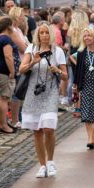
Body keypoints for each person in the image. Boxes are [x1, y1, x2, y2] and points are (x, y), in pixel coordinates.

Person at [19, 22, 68, 177]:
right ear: (38, 35)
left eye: (47, 33)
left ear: (51, 35)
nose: (44, 35)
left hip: (50, 91)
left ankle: (51, 162)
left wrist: (58, 70)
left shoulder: (57, 51)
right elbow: (21, 69)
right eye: (42, 33)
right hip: (34, 92)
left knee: (48, 127)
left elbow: (66, 75)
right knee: (37, 131)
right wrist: (34, 61)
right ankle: (42, 165)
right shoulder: (31, 49)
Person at [0, 16, 18, 134]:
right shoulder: (6, 39)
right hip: (4, 71)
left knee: (3, 97)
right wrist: (12, 71)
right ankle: (2, 124)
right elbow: (8, 56)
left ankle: (2, 122)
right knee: (3, 98)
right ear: (8, 26)